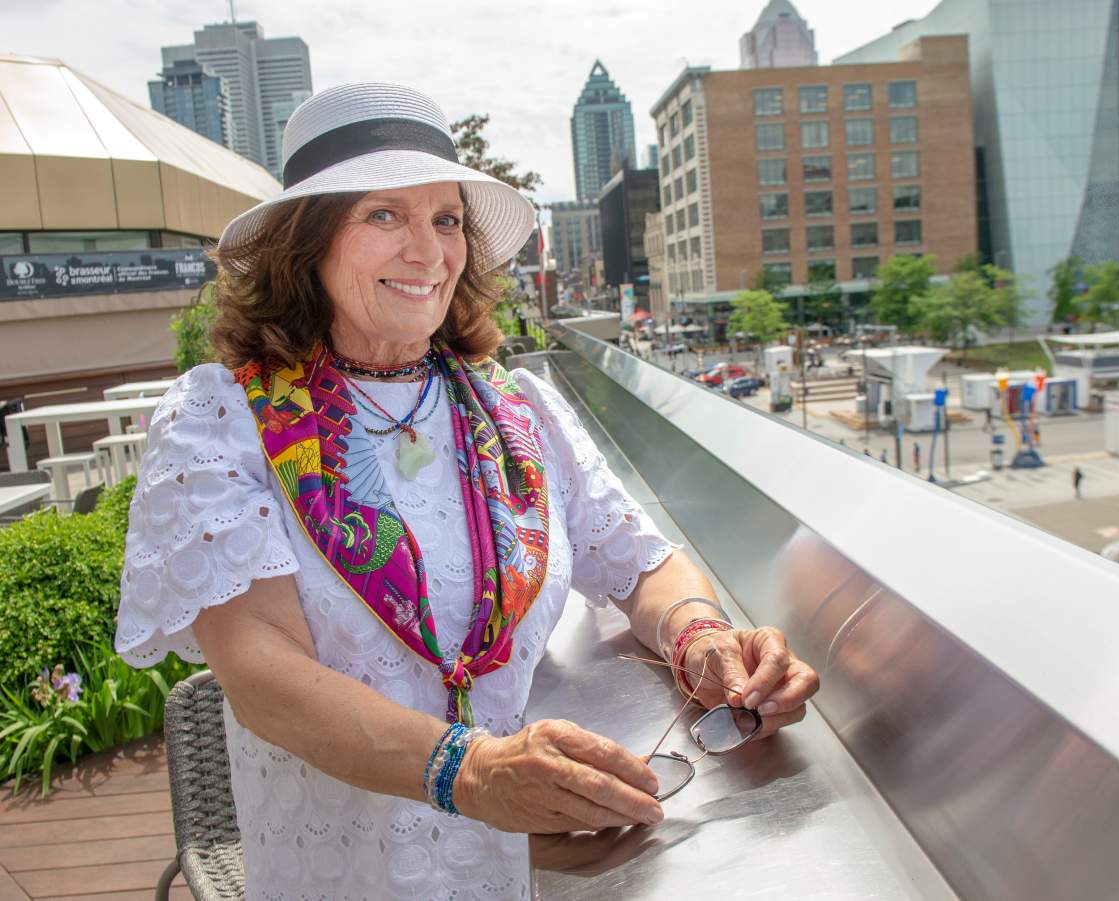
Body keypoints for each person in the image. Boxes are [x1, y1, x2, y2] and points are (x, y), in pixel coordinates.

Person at [114, 83, 818, 901]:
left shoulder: (517, 411)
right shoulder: (221, 420)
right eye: (384, 215)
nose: (429, 251)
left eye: (446, 219)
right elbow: (260, 669)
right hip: (352, 873)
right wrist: (473, 771)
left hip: (540, 859)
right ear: (305, 244)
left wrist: (703, 640)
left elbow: (639, 564)